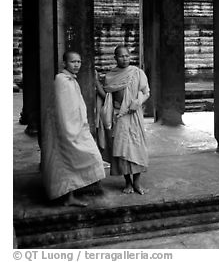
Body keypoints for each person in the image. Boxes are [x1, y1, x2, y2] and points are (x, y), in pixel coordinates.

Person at [40, 51, 106, 207]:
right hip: (65, 128)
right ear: (64, 63)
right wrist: (70, 130)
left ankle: (71, 196)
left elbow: (75, 105)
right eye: (73, 62)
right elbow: (62, 109)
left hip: (76, 126)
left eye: (79, 61)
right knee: (67, 161)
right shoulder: (61, 80)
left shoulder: (72, 81)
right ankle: (69, 197)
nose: (77, 65)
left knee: (84, 157)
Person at [96, 45, 150, 194]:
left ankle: (137, 183)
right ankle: (127, 182)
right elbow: (106, 96)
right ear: (115, 58)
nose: (124, 58)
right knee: (122, 151)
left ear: (130, 56)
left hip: (134, 115)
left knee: (137, 149)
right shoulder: (110, 76)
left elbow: (146, 92)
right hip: (119, 116)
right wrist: (96, 83)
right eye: (121, 56)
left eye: (127, 56)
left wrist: (138, 102)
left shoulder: (137, 73)